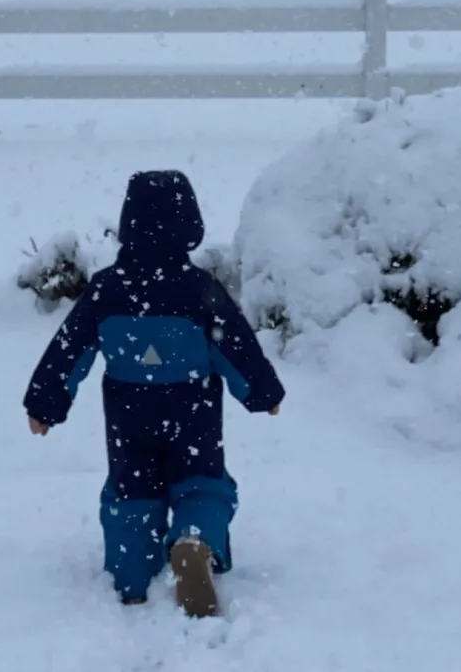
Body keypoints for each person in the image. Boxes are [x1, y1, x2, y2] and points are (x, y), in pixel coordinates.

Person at [23, 169, 285, 617]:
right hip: (194, 411)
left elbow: (70, 348)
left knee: (132, 492)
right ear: (191, 227)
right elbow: (236, 346)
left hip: (129, 413)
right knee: (203, 485)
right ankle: (193, 541)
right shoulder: (200, 290)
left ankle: (130, 575)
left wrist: (46, 402)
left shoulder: (106, 289)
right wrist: (262, 393)